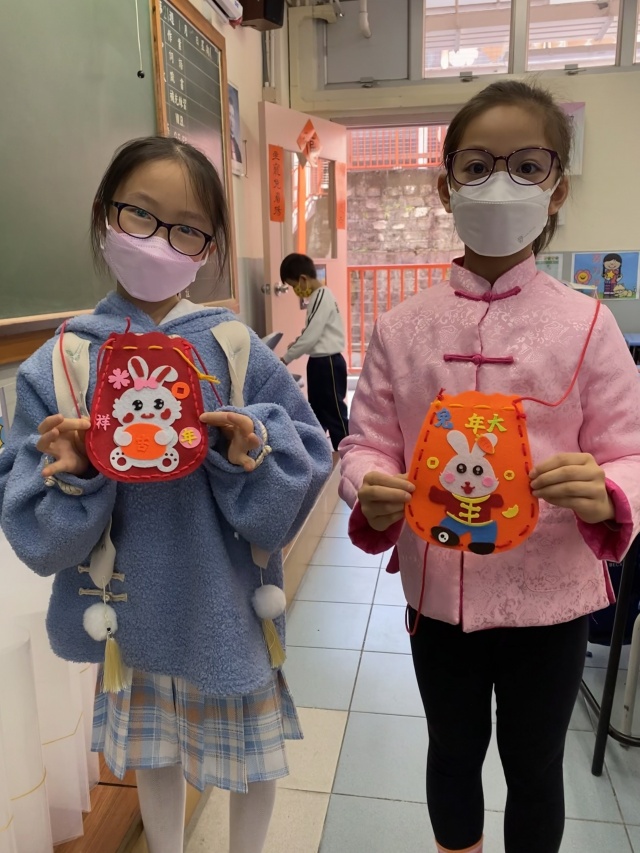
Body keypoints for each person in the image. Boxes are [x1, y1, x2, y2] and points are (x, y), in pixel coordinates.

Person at [0, 137, 333, 853]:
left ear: (209, 247)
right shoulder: (62, 360)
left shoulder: (234, 346)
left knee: (253, 754)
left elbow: (306, 458)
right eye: (141, 216)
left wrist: (249, 452)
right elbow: (37, 529)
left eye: (187, 229)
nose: (159, 241)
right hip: (131, 609)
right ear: (105, 215)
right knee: (153, 754)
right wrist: (74, 470)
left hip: (227, 598)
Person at [339, 81, 640, 853]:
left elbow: (631, 449)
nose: (500, 183)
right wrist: (369, 483)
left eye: (527, 166)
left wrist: (608, 490)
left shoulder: (589, 324)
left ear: (557, 187)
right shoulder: (403, 327)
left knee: (535, 766)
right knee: (451, 751)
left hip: (552, 599)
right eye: (476, 166)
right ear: (447, 187)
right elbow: (365, 441)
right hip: (441, 593)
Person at [280, 253, 349, 451]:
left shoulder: (321, 296)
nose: (296, 291)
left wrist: (286, 358)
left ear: (303, 279)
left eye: (294, 286)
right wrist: (299, 342)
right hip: (320, 362)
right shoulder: (319, 298)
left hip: (328, 363)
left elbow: (311, 335)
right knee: (317, 412)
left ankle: (348, 454)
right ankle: (318, 453)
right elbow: (313, 332)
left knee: (334, 413)